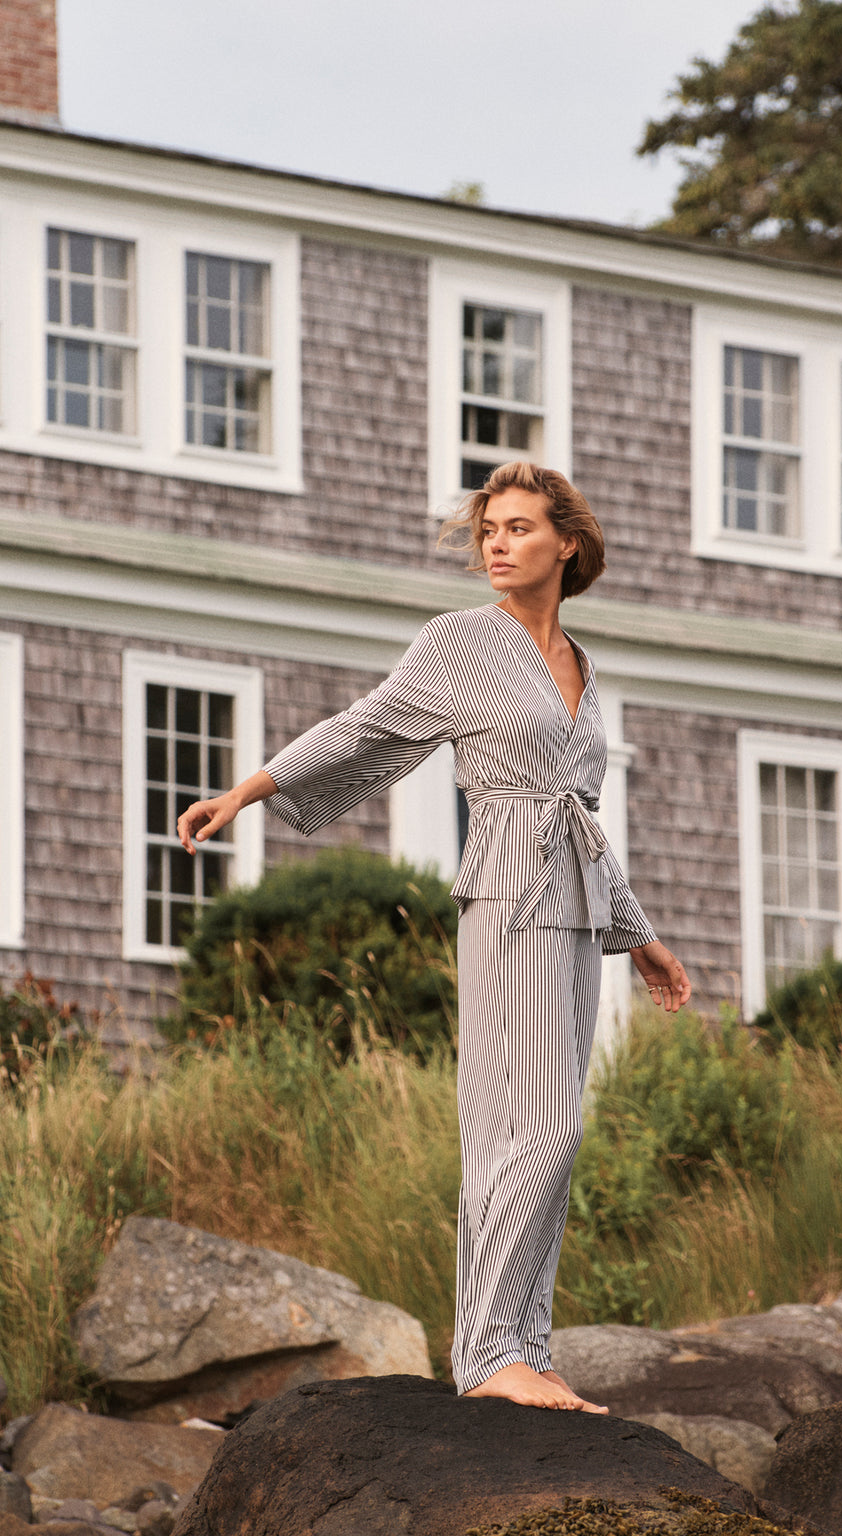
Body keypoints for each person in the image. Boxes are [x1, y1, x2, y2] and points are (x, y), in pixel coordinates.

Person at [177, 461, 691, 1414]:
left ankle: (521, 1348)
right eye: (488, 529)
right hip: (506, 896)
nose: (496, 543)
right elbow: (365, 728)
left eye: (518, 528)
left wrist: (640, 935)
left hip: (579, 916)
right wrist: (248, 789)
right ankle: (488, 1351)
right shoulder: (459, 642)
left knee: (543, 1135)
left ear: (567, 544)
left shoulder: (583, 667)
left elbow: (578, 815)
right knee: (533, 1130)